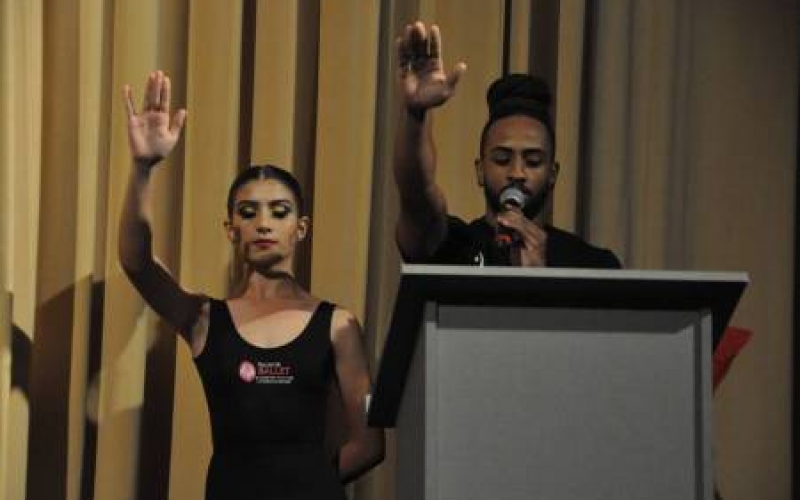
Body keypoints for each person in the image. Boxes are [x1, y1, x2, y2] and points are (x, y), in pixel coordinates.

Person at [119, 70, 384, 500]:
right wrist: (143, 169)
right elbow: (136, 263)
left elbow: (370, 443)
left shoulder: (337, 324)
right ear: (230, 228)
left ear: (300, 229)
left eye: (279, 212)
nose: (263, 223)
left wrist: (306, 485)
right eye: (248, 212)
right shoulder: (204, 318)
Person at [393, 21, 621, 268]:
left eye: (533, 162)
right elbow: (418, 193)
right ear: (480, 170)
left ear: (552, 174)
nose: (516, 173)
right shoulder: (453, 244)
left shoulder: (591, 264)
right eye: (502, 159)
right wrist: (416, 114)